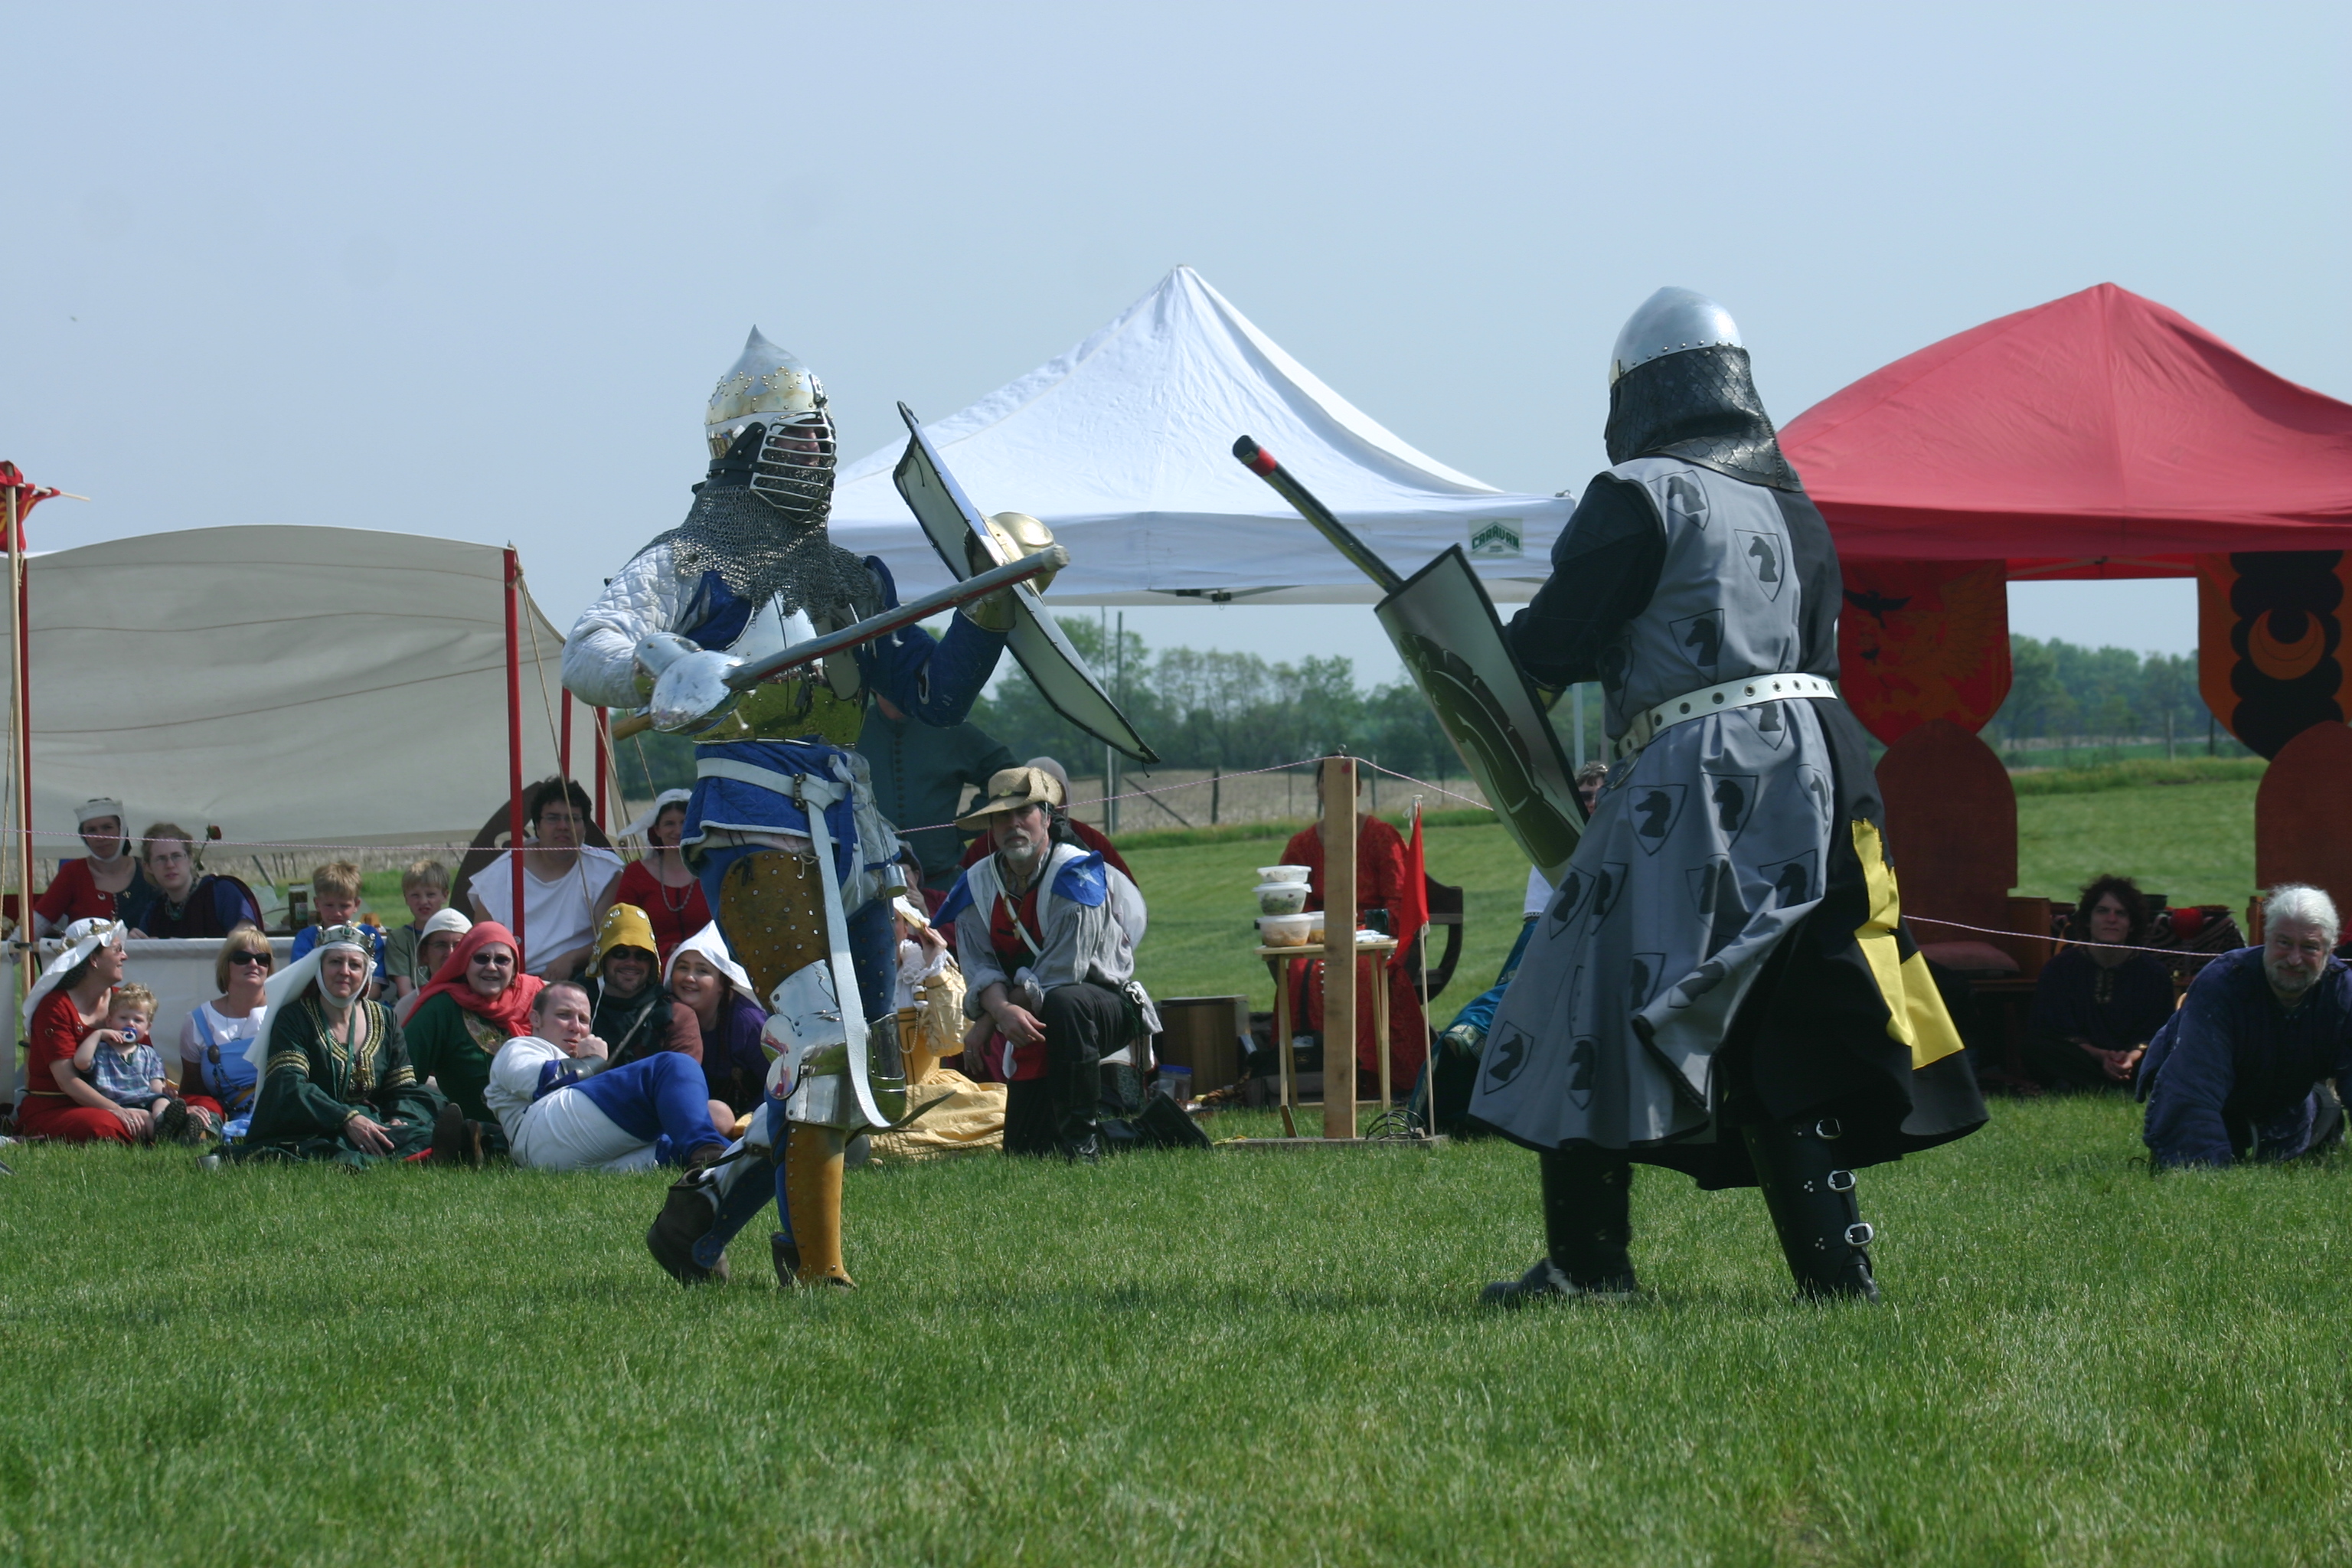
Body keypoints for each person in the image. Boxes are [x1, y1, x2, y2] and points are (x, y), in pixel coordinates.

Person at [1472, 287, 1984, 1307]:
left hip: (1697, 775)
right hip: (1828, 771)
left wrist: (1471, 653)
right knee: (1781, 1012)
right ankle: (1837, 1277)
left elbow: (1548, 649)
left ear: (1639, 394)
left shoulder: (1637, 494)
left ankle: (1589, 1268)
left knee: (1581, 986)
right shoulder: (1796, 502)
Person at [562, 330, 1028, 1290]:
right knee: (820, 1041)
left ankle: (705, 1211)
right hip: (752, 816)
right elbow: (589, 647)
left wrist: (990, 609)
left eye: (822, 435)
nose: (820, 450)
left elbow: (932, 694)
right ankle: (817, 1269)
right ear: (749, 447)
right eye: (801, 436)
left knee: (874, 1068)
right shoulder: (690, 557)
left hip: (852, 831)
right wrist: (662, 661)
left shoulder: (850, 578)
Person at [940, 766, 1158, 1159]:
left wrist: (991, 1020)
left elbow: (1062, 971)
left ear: (1045, 817)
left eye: (1023, 812)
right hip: (1029, 1014)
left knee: (1065, 1002)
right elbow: (978, 964)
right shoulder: (976, 883)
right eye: (1002, 816)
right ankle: (1144, 1133)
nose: (1013, 824)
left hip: (1100, 1007)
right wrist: (1002, 1010)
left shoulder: (1075, 875)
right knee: (1026, 1149)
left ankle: (1082, 1145)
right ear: (990, 826)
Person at [2140, 884, 2352, 1168]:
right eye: (2284, 943)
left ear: (2329, 950)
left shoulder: (2342, 991)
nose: (2294, 959)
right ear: (2266, 938)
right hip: (2208, 1094)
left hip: (2287, 1099)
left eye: (2309, 947)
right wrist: (2203, 1168)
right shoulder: (2223, 983)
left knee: (2319, 1111)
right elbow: (2191, 1085)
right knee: (2208, 1150)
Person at [240, 923, 459, 1168]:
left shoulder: (384, 1018)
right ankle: (426, 1150)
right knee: (333, 1150)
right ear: (319, 967)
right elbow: (288, 1084)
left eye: (354, 965)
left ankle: (471, 1140)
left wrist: (401, 1116)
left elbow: (401, 1085)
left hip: (372, 1120)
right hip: (312, 1125)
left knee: (425, 1109)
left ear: (366, 973)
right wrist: (346, 1118)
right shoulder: (294, 1018)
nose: (344, 971)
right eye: (335, 962)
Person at [1279, 769, 1428, 1096]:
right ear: (1317, 788)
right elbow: (1293, 901)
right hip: (1318, 935)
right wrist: (1314, 929)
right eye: (1325, 781)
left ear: (1358, 788)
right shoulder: (1302, 844)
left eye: (1344, 782)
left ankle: (1366, 1070)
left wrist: (1370, 930)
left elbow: (1398, 899)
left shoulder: (1381, 836)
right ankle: (1307, 1068)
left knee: (1360, 970)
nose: (1332, 789)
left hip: (1371, 936)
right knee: (1301, 972)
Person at [485, 981, 733, 1173]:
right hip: (539, 1134)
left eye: (583, 1020)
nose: (575, 1027)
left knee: (704, 1144)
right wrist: (594, 1060)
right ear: (536, 1019)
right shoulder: (521, 1046)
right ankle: (709, 1150)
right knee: (672, 1065)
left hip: (573, 1156)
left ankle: (730, 1159)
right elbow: (548, 1082)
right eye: (564, 1015)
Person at [402, 920, 543, 1159]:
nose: (491, 967)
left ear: (514, 969)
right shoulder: (442, 1007)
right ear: (464, 962)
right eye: (481, 958)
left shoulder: (536, 999)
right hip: (462, 1125)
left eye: (502, 960)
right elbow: (404, 1072)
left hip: (536, 1123)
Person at [2024, 875, 2177, 1091]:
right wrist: (2100, 1055)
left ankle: (2091, 1084)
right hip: (2082, 1056)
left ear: (2131, 925)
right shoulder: (2060, 968)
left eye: (2121, 913)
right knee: (2037, 1046)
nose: (2111, 919)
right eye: (2102, 911)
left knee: (2171, 1050)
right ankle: (2106, 1084)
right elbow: (2053, 1027)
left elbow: (2157, 1031)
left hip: (2135, 1060)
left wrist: (2131, 1057)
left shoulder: (2153, 973)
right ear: (2088, 920)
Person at [467, 777, 623, 980]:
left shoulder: (606, 871)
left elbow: (609, 938)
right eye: (553, 818)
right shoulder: (499, 875)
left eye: (573, 818)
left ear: (584, 827)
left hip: (580, 977)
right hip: (511, 979)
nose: (563, 826)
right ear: (538, 826)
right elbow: (482, 943)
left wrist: (572, 958)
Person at [860, 699, 1014, 893]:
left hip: (943, 887)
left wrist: (964, 826)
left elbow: (1009, 776)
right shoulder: (852, 730)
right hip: (867, 889)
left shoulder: (949, 728)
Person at [18, 919, 150, 1142]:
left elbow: (144, 1057)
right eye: (117, 950)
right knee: (101, 1125)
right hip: (58, 1106)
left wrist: (159, 1099)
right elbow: (67, 1080)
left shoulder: (122, 1000)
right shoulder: (55, 1007)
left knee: (197, 1105)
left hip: (125, 1099)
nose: (124, 956)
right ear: (93, 959)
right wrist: (118, 1110)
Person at [955, 756, 1135, 884]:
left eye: (1024, 812)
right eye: (1005, 814)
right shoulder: (985, 846)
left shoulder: (1090, 839)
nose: (1014, 822)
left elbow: (1123, 889)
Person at [71, 981, 202, 1144]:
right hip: (117, 1104)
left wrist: (166, 1091)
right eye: (123, 1018)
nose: (130, 1023)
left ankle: (165, 1121)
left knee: (161, 1101)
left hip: (145, 1100)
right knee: (146, 1117)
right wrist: (98, 1035)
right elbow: (81, 1063)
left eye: (138, 1020)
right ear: (109, 1021)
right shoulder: (101, 1050)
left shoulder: (149, 1054)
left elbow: (155, 1087)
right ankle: (174, 1137)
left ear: (147, 1028)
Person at [592, 791, 710, 966]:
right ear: (657, 830)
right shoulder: (636, 874)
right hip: (650, 964)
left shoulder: (711, 872)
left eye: (684, 823)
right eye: (669, 824)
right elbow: (624, 926)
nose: (678, 831)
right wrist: (664, 950)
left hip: (707, 962)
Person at [665, 922, 766, 1120]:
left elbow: (778, 1085)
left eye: (702, 971)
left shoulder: (747, 1022)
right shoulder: (666, 1016)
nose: (689, 978)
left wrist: (747, 1124)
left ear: (722, 982)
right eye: (683, 968)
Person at [584, 903, 701, 1068]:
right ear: (603, 957)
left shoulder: (677, 1016)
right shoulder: (573, 1007)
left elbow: (682, 1076)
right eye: (620, 953)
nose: (632, 963)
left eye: (642, 955)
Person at [180, 924, 273, 1129]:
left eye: (262, 959)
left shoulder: (284, 1013)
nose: (253, 964)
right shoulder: (198, 1021)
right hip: (223, 1115)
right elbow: (193, 1089)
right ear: (225, 965)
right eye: (242, 958)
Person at [32, 800, 154, 936]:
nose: (100, 836)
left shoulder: (148, 869)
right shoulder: (73, 873)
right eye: (92, 830)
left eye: (107, 827)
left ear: (122, 830)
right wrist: (14, 945)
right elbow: (37, 924)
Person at [123, 824, 263, 939]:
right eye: (161, 859)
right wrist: (137, 944)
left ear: (190, 859)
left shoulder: (222, 892)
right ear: (148, 867)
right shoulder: (154, 913)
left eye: (177, 856)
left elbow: (247, 940)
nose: (170, 865)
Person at [289, 862, 387, 984]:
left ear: (356, 905)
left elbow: (375, 985)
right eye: (329, 905)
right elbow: (299, 982)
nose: (337, 913)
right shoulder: (307, 937)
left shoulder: (368, 934)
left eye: (344, 906)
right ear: (317, 904)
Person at [384, 860, 452, 1001]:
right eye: (415, 895)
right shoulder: (399, 939)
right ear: (406, 898)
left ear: (445, 896)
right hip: (412, 1006)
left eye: (431, 895)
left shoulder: (455, 936)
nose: (423, 901)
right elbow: (404, 990)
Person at [392, 907, 472, 1027]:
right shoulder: (408, 1007)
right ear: (424, 953)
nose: (450, 953)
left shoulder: (487, 1004)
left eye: (458, 945)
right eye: (441, 945)